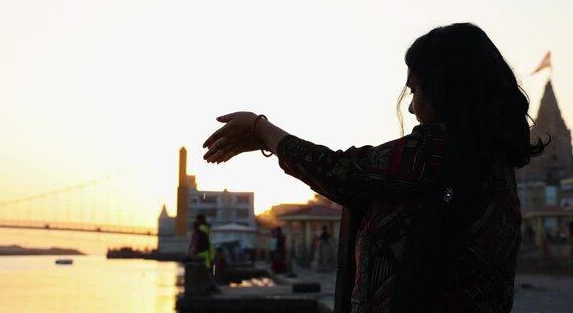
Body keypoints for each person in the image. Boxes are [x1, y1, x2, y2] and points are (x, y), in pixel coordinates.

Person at [202, 23, 547, 312]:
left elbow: (341, 172)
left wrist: (262, 130)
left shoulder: (440, 151)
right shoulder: (489, 159)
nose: (411, 108)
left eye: (415, 91)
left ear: (444, 90)